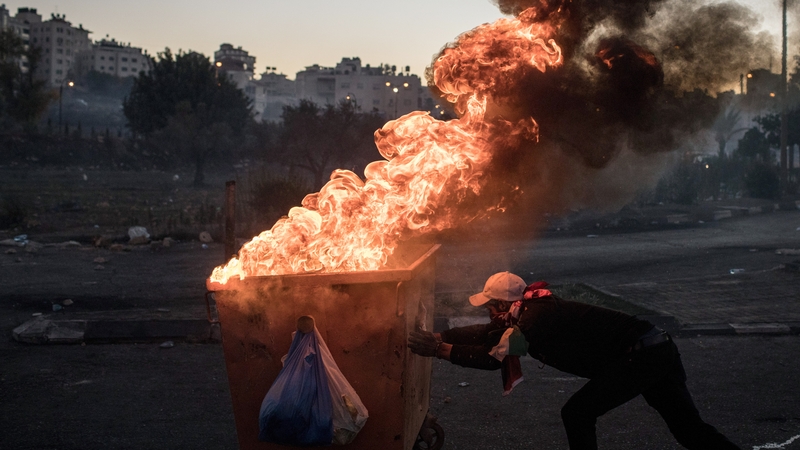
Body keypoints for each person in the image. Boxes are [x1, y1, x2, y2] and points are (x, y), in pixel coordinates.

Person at [408, 271, 741, 450]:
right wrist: (440, 338)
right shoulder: (527, 311)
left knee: (577, 413)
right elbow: (487, 334)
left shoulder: (534, 321)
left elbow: (495, 358)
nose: (488, 314)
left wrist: (439, 351)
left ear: (502, 304)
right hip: (654, 348)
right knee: (689, 431)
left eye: (489, 307)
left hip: (643, 355)